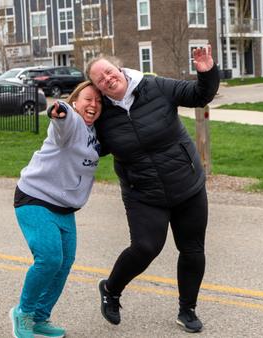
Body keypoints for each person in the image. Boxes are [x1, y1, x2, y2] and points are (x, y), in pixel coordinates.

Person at [87, 45, 219, 333]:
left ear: (119, 68)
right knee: (146, 247)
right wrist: (65, 116)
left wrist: (206, 71)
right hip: (143, 193)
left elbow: (199, 95)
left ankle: (187, 310)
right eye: (100, 80)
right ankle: (111, 290)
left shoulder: (155, 87)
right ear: (98, 88)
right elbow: (85, 144)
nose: (108, 79)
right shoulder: (103, 117)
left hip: (187, 183)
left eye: (109, 71)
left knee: (192, 249)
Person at [9, 81, 102, 338]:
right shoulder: (70, 121)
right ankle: (23, 313)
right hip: (35, 197)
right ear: (76, 102)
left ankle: (40, 317)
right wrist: (58, 110)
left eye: (98, 101)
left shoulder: (95, 132)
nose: (93, 104)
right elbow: (61, 117)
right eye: (87, 99)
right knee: (49, 258)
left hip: (64, 207)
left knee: (63, 263)